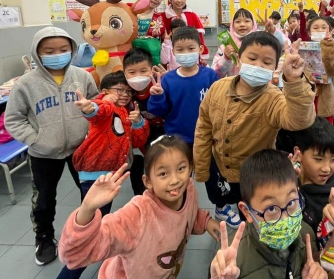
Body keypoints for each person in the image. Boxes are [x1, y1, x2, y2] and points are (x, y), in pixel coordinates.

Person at [194, 32, 316, 230]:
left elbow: (298, 121)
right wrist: (201, 168)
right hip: (220, 166)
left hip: (254, 175)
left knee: (252, 217)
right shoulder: (217, 88)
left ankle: (251, 234)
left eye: (267, 62)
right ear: (239, 59)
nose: (258, 65)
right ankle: (224, 208)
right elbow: (203, 128)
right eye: (252, 58)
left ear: (275, 67)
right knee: (224, 197)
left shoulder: (273, 98)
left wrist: (294, 81)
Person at [59, 136, 220, 279]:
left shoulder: (188, 189)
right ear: (147, 181)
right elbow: (73, 256)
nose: (175, 180)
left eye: (181, 169)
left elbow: (187, 214)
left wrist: (204, 221)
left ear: (190, 168)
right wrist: (87, 208)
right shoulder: (137, 215)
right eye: (163, 174)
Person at [4, 27, 98, 266]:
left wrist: (91, 120)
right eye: (49, 51)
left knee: (90, 193)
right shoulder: (26, 84)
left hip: (81, 148)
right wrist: (36, 139)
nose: (57, 54)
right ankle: (44, 238)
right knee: (44, 199)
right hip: (43, 153)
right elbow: (13, 119)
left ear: (72, 49)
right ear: (37, 53)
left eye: (63, 49)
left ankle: (91, 233)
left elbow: (97, 104)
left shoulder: (82, 76)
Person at [58, 71, 149, 279]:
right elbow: (97, 111)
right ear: (106, 91)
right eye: (119, 90)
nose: (124, 95)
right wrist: (96, 105)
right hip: (95, 176)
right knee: (92, 227)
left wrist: (138, 122)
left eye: (128, 91)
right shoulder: (107, 107)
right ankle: (72, 268)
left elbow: (137, 141)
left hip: (108, 176)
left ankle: (94, 250)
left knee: (95, 220)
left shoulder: (125, 112)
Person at [209, 149, 328, 279]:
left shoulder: (306, 235)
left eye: (291, 202)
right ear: (247, 212)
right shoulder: (233, 259)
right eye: (271, 209)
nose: (285, 218)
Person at [148, 26, 218, 150]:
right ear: (173, 52)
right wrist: (157, 97)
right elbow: (159, 112)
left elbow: (218, 107)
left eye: (191, 48)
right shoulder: (167, 79)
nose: (186, 53)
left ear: (200, 49)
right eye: (180, 49)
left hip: (206, 139)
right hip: (176, 141)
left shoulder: (210, 75)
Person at [283, 117, 334, 237]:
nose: (327, 168)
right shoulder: (284, 174)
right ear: (298, 153)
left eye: (333, 159)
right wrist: (286, 183)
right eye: (318, 159)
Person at [123, 47, 166, 196]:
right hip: (144, 134)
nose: (138, 76)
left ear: (152, 70)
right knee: (152, 163)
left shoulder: (161, 85)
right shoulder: (126, 93)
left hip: (167, 130)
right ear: (125, 74)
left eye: (143, 71)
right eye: (132, 72)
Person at [298, 1, 334, 123]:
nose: (320, 30)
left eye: (324, 28)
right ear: (309, 32)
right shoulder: (304, 48)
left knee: (325, 129)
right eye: (315, 28)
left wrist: (328, 47)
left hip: (325, 101)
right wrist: (309, 77)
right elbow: (299, 70)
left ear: (329, 30)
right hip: (307, 97)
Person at [213, 8, 287, 79]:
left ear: (253, 23)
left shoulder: (262, 40)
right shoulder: (226, 46)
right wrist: (226, 58)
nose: (242, 24)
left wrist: (273, 31)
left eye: (247, 21)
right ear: (232, 25)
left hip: (261, 85)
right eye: (238, 21)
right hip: (235, 86)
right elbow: (214, 74)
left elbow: (285, 46)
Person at [163, 0, 209, 64]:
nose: (179, 0)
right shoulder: (164, 16)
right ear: (170, 0)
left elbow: (199, 37)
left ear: (185, 0)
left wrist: (203, 55)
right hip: (171, 54)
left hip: (191, 52)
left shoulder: (192, 15)